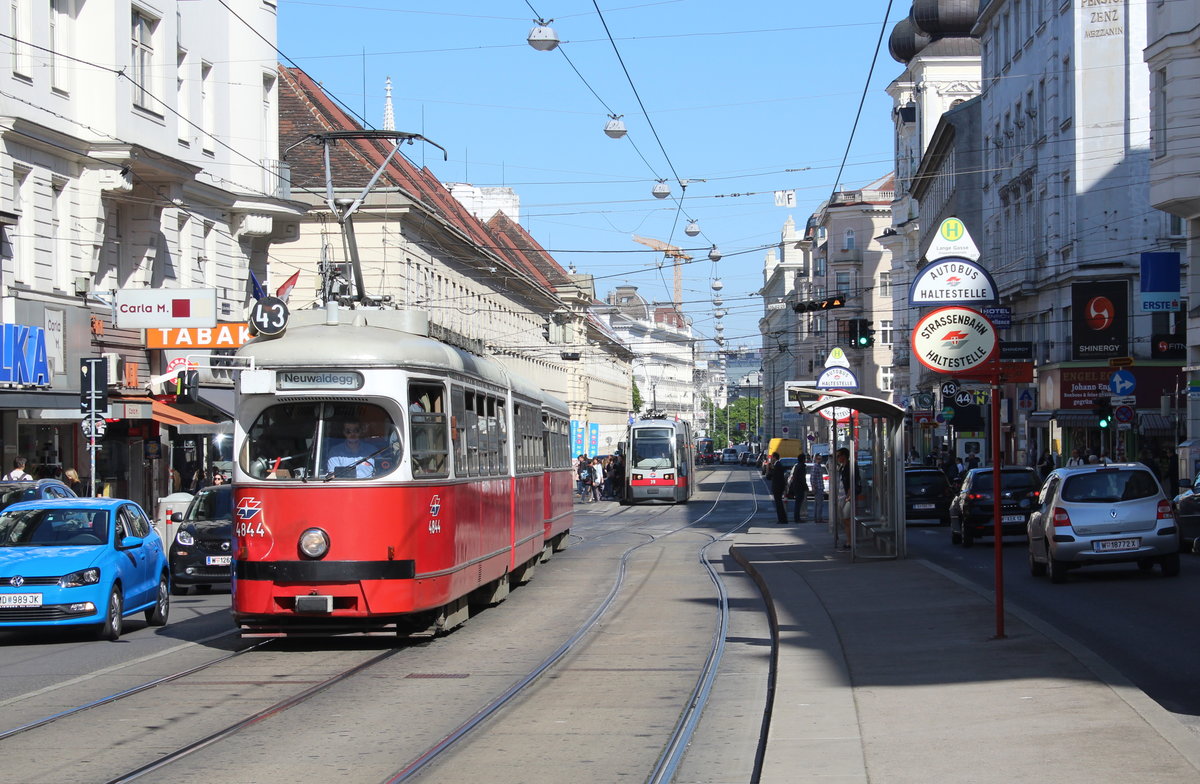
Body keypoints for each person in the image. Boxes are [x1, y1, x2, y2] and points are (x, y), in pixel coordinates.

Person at [768, 452, 788, 525]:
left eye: (772, 457)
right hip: (779, 487)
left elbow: (770, 476)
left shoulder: (777, 465)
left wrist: (770, 467)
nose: (771, 459)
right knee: (779, 503)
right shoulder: (778, 465)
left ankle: (782, 519)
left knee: (778, 504)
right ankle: (783, 519)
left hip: (777, 487)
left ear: (774, 457)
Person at [788, 454, 809, 523]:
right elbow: (802, 478)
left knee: (798, 503)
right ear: (803, 459)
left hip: (796, 487)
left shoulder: (797, 466)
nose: (805, 460)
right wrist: (806, 487)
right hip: (800, 487)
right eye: (805, 458)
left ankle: (797, 517)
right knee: (798, 503)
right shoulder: (802, 467)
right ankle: (797, 518)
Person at [809, 455, 826, 524]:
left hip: (820, 486)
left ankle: (817, 518)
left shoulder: (819, 466)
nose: (820, 460)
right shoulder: (815, 466)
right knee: (819, 504)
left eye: (820, 459)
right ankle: (818, 518)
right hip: (818, 487)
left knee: (818, 503)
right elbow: (812, 477)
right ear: (815, 459)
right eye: (818, 459)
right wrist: (813, 487)